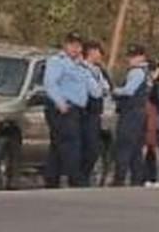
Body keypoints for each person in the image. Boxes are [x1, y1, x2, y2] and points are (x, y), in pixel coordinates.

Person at [43, 32, 89, 189]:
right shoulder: (58, 61)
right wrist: (60, 103)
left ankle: (51, 179)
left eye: (78, 45)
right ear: (65, 45)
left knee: (57, 146)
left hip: (76, 110)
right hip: (63, 109)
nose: (75, 48)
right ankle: (75, 180)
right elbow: (50, 83)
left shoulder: (79, 64)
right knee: (71, 144)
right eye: (72, 44)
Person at [112, 44, 151, 187]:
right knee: (135, 149)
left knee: (124, 146)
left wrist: (114, 91)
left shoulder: (137, 72)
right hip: (140, 114)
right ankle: (137, 179)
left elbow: (129, 91)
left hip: (131, 113)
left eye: (134, 56)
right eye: (130, 56)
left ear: (142, 57)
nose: (131, 59)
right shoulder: (146, 72)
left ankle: (119, 179)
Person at [80, 40, 111, 185]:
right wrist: (101, 89)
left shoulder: (98, 71)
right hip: (85, 113)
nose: (101, 55)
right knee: (88, 147)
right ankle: (81, 177)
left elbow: (106, 88)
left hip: (96, 114)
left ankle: (85, 176)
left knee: (94, 148)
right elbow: (96, 91)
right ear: (91, 52)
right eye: (99, 52)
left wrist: (102, 89)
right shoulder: (83, 70)